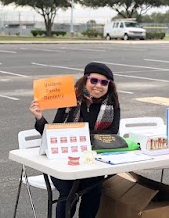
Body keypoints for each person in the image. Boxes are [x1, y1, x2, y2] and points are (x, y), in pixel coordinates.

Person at [29, 62, 120, 218]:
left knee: (93, 190)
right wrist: (39, 118)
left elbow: (112, 133)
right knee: (69, 189)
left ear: (109, 85)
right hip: (63, 159)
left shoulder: (112, 105)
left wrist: (77, 133)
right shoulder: (68, 100)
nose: (98, 86)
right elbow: (53, 133)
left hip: (92, 160)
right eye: (94, 80)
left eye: (104, 82)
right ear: (85, 80)